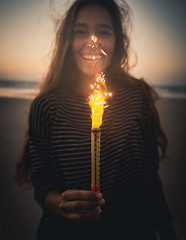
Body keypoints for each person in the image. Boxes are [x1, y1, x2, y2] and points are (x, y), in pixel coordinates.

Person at [15, 0, 177, 239]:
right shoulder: (46, 106)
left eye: (103, 31)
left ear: (118, 41)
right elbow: (43, 185)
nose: (93, 41)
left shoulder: (137, 99)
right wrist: (62, 204)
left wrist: (166, 231)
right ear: (67, 41)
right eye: (80, 31)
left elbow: (149, 183)